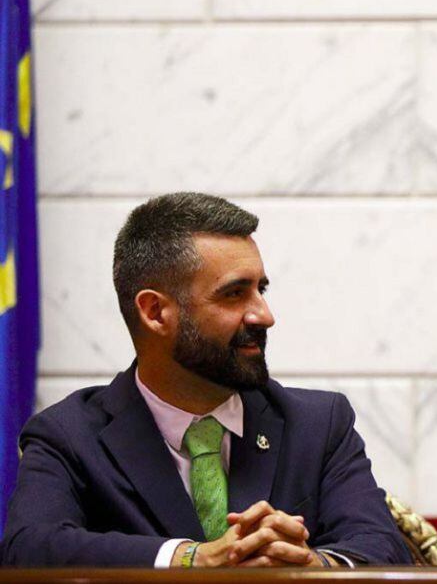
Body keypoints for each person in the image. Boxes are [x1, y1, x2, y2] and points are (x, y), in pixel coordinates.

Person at [0, 193, 412, 567]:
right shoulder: (69, 436)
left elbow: (383, 549)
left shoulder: (319, 424)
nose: (264, 315)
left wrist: (313, 566)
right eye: (235, 294)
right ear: (155, 313)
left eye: (261, 290)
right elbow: (29, 548)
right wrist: (190, 559)